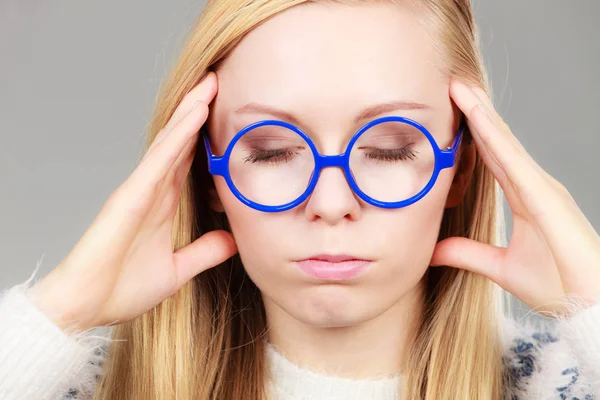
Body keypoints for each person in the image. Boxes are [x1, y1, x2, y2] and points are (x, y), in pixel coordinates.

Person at [1, 0, 599, 399]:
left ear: (462, 170)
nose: (331, 201)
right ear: (204, 173)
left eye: (390, 149)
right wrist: (58, 314)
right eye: (271, 151)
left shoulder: (564, 383)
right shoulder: (75, 387)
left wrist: (593, 301)